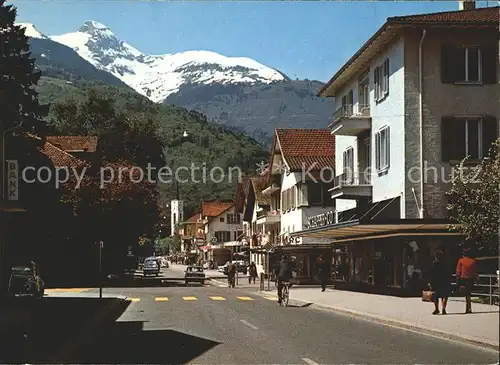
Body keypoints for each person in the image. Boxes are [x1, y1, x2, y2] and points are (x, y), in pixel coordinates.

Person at [429, 250, 452, 315]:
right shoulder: (446, 264)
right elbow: (448, 273)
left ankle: (436, 309)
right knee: (444, 296)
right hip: (444, 281)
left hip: (436, 282)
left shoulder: (434, 264)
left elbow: (431, 274)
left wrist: (430, 282)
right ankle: (443, 309)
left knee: (435, 296)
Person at [456, 246, 477, 314]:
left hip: (463, 278)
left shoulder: (461, 261)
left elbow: (458, 271)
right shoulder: (473, 261)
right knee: (468, 293)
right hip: (470, 279)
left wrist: (457, 279)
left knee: (466, 294)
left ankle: (468, 308)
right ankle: (469, 307)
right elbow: (474, 271)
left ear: (463, 254)